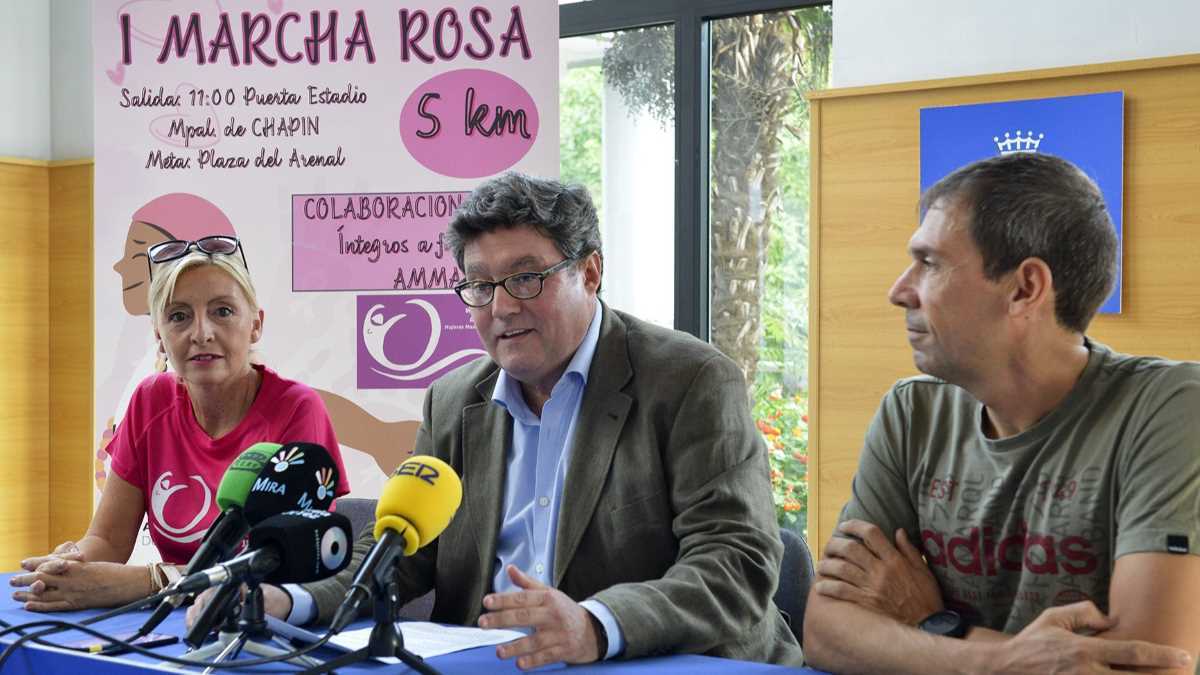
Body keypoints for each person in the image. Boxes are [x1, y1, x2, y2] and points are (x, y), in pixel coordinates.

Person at [190, 172, 803, 668]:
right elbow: (396, 558)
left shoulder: (691, 379)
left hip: (664, 661)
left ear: (589, 272)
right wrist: (282, 601)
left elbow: (736, 559)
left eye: (527, 278)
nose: (503, 306)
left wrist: (596, 623)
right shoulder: (455, 401)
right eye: (480, 286)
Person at [803, 153, 1200, 673]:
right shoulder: (911, 412)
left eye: (930, 263)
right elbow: (826, 633)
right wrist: (996, 664)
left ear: (1024, 288)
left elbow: (1147, 667)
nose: (900, 292)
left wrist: (936, 623)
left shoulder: (1169, 407)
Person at [12, 236, 351, 612]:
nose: (201, 333)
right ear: (159, 336)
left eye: (223, 311)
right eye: (179, 316)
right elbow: (108, 539)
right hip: (172, 621)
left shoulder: (297, 409)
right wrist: (72, 562)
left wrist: (156, 580)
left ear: (256, 325)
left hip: (257, 623)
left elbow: (282, 564)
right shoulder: (150, 400)